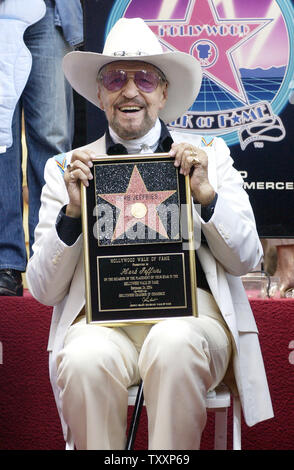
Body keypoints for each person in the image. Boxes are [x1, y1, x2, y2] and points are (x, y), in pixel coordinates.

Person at [26, 18, 273, 450]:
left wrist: (206, 197)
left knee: (173, 342)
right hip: (104, 324)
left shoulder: (210, 158)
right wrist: (73, 214)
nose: (129, 90)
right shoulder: (66, 169)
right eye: (115, 78)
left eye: (144, 78)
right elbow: (45, 291)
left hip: (195, 319)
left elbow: (247, 259)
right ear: (100, 94)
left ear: (163, 92)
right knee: (83, 358)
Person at [0, 0, 83, 296]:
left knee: (53, 138)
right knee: (1, 144)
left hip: (50, 11)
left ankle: (51, 257)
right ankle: (5, 263)